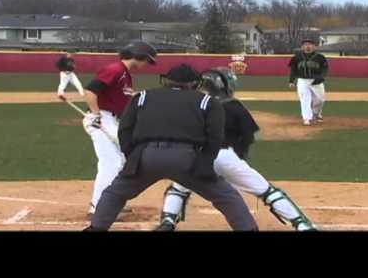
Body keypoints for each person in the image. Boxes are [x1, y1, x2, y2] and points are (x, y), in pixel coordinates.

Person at [84, 64, 258, 231]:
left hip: (146, 155)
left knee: (115, 193)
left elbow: (125, 130)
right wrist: (204, 162)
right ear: (195, 84)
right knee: (227, 197)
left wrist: (133, 156)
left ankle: (96, 227)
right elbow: (215, 137)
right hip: (187, 158)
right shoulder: (207, 101)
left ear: (166, 81)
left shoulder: (142, 96)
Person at [155, 67, 318, 232]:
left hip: (193, 156)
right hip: (225, 155)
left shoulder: (192, 104)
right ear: (224, 84)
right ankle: (302, 225)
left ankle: (168, 221)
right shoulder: (232, 105)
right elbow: (247, 136)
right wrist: (239, 160)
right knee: (267, 192)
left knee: (179, 187)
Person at [82, 41, 157, 216]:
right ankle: (99, 207)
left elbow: (122, 99)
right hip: (101, 119)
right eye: (148, 60)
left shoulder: (125, 74)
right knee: (111, 162)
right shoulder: (115, 70)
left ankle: (111, 201)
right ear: (138, 55)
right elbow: (90, 91)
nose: (148, 65)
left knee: (122, 160)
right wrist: (95, 115)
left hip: (111, 120)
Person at [288, 37, 329, 126]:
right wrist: (291, 81)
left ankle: (316, 114)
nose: (308, 46)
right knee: (304, 99)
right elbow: (293, 70)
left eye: (310, 45)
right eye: (305, 45)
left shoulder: (320, 57)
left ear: (314, 47)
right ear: (302, 47)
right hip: (302, 80)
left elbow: (325, 69)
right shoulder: (297, 57)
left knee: (320, 100)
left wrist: (322, 77)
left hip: (316, 81)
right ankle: (307, 118)